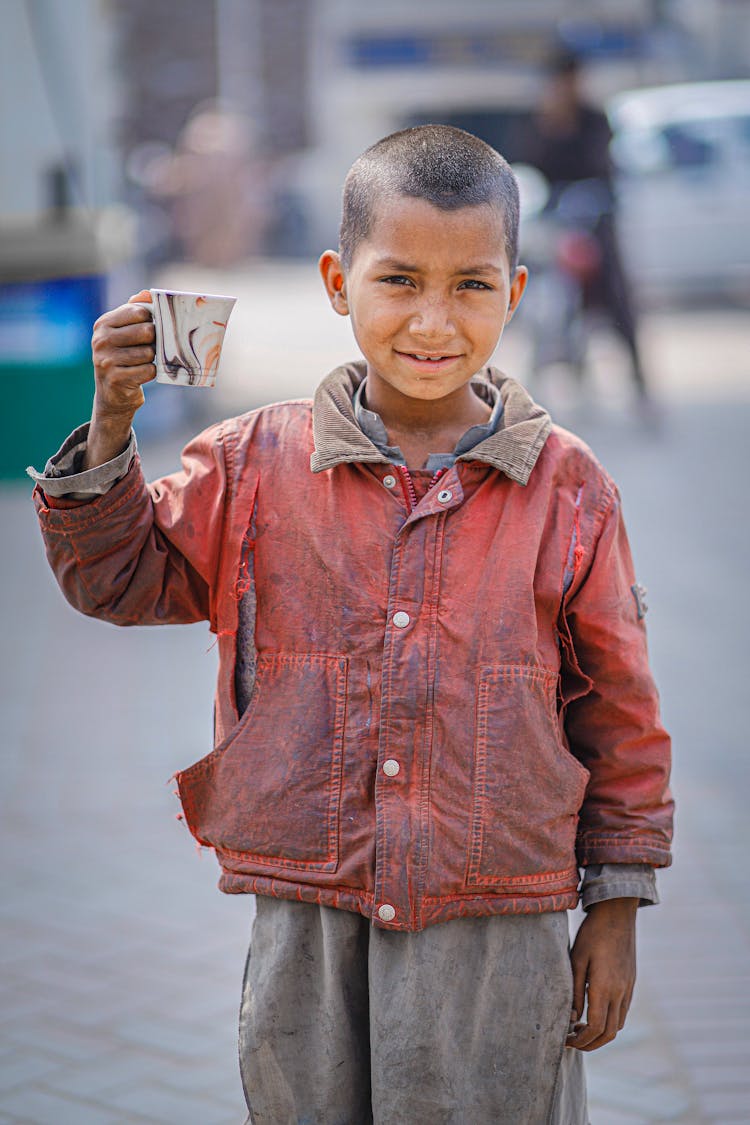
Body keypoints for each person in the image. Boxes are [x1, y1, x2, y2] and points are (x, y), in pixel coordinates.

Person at [29, 124, 673, 1124]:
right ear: (338, 282)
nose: (432, 319)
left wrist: (618, 904)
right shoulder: (253, 462)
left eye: (470, 285)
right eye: (399, 279)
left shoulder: (568, 487)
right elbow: (117, 582)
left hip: (502, 907)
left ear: (516, 291)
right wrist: (112, 420)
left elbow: (619, 705)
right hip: (311, 902)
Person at [526, 52, 651, 404]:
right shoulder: (541, 122)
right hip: (558, 228)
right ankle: (554, 380)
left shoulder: (595, 120)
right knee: (550, 303)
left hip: (597, 223)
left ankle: (641, 386)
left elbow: (603, 165)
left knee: (617, 302)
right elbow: (534, 166)